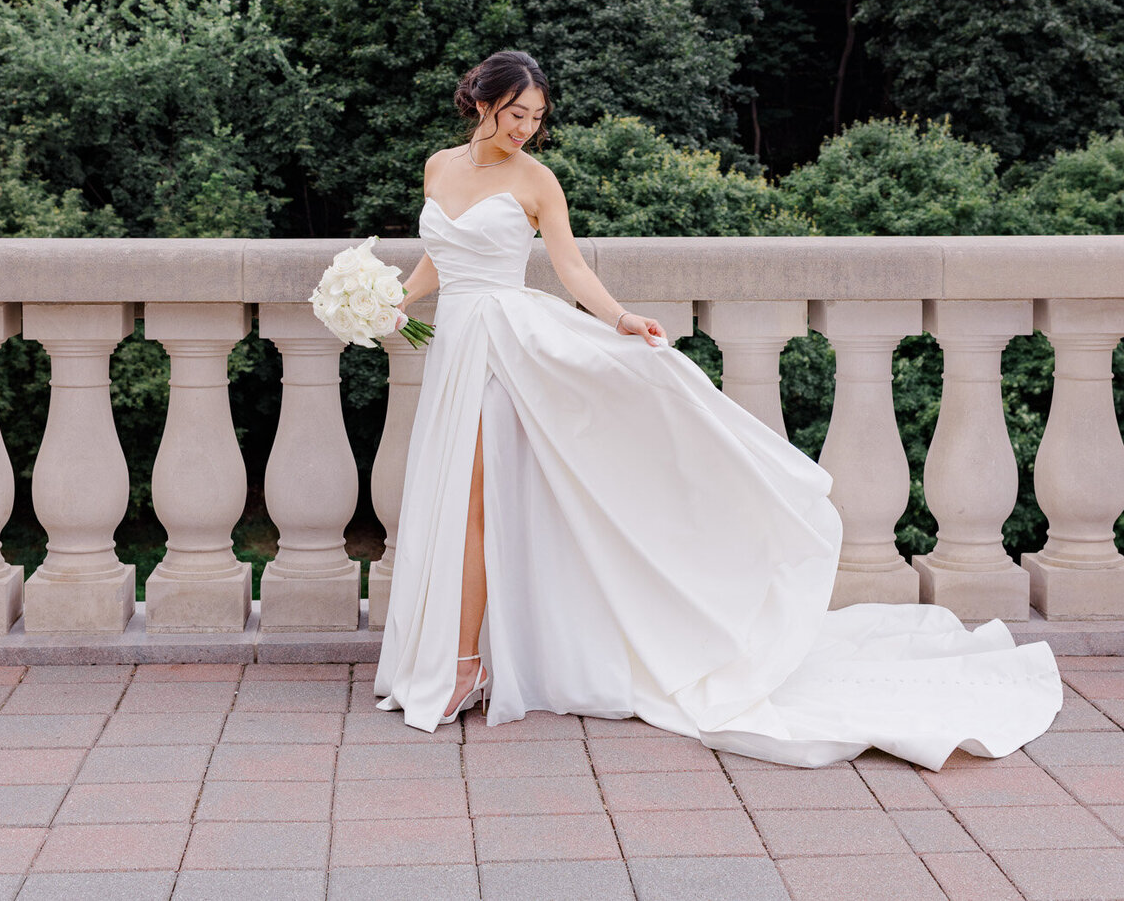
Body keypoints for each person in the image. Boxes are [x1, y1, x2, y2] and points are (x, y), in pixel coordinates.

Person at [372, 50, 1061, 766]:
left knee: (478, 503)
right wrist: (387, 302)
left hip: (506, 349)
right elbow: (439, 259)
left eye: (538, 119)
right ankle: (468, 657)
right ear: (482, 101)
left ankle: (463, 667)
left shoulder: (537, 180)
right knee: (456, 500)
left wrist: (619, 319)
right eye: (517, 114)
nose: (527, 129)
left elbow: (571, 267)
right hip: (454, 344)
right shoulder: (438, 167)